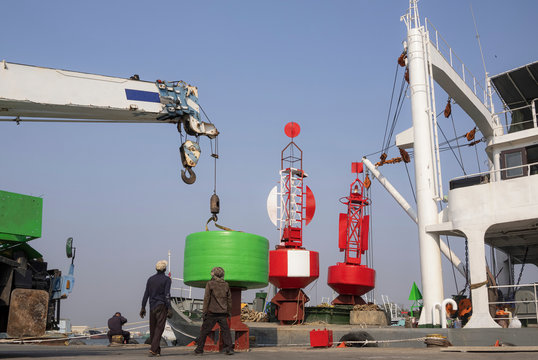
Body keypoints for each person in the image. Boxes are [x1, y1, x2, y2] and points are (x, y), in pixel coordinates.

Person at [194, 266, 233, 356]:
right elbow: (229, 300)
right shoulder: (226, 285)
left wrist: (204, 312)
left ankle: (199, 350)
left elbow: (206, 299)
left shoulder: (210, 284)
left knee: (204, 331)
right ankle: (229, 349)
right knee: (225, 331)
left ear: (214, 274)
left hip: (211, 312)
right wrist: (229, 311)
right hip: (223, 312)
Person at [140, 260, 172, 357]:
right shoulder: (167, 280)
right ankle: (153, 349)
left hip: (152, 306)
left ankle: (157, 351)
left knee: (153, 329)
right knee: (160, 328)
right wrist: (169, 308)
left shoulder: (150, 279)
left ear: (156, 269)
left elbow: (146, 294)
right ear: (165, 269)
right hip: (161, 305)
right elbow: (167, 294)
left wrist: (143, 307)